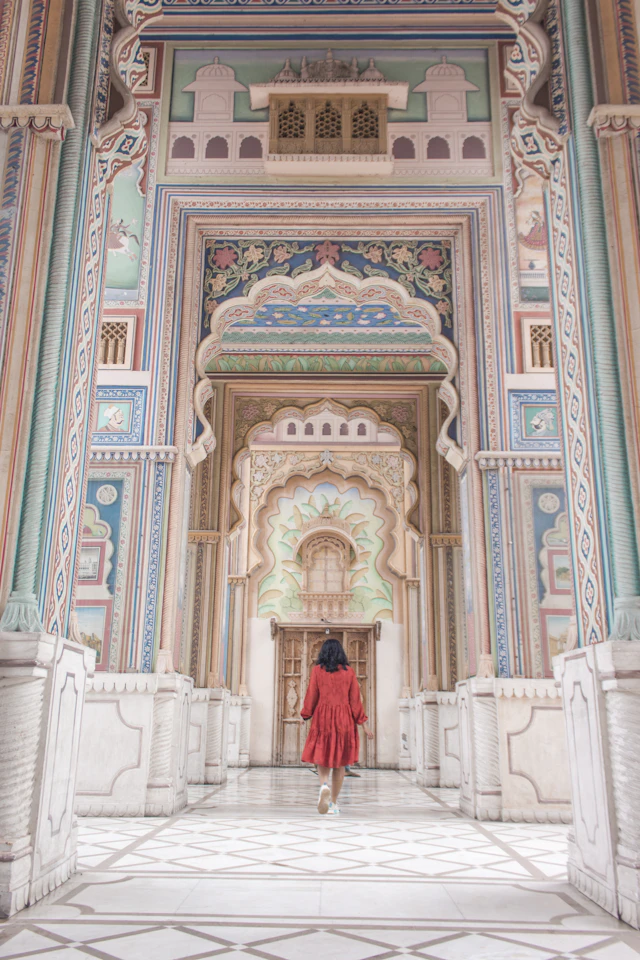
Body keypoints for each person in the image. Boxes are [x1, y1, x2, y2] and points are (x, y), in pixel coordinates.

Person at [300, 637, 373, 815]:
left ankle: (323, 785)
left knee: (322, 755)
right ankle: (332, 802)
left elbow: (312, 695)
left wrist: (305, 715)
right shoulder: (349, 672)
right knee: (340, 762)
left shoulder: (317, 671)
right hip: (344, 719)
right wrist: (363, 724)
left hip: (322, 717)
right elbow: (355, 700)